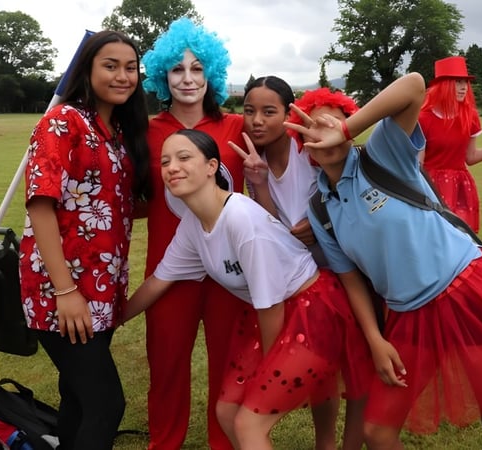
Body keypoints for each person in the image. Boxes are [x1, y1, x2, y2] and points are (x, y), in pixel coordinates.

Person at [286, 72, 482, 449]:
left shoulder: (382, 154)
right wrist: (375, 340)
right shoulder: (321, 209)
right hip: (409, 315)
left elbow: (413, 84)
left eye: (331, 118)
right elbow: (350, 279)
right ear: (303, 143)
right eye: (311, 125)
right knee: (377, 432)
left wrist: (344, 129)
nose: (322, 128)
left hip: (467, 291)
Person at [123, 129, 373, 450]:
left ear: (212, 166)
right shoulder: (193, 224)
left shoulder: (241, 219)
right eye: (165, 161)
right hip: (271, 313)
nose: (172, 167)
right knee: (227, 412)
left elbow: (271, 305)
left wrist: (271, 374)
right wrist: (113, 321)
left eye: (184, 158)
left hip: (310, 312)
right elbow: (159, 281)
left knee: (248, 423)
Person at [18, 30, 151, 450]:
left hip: (103, 288)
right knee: (106, 403)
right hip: (60, 288)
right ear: (87, 70)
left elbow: (116, 205)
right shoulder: (64, 121)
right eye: (110, 66)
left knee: (77, 398)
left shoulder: (117, 134)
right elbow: (41, 203)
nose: (122, 76)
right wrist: (66, 290)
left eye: (130, 68)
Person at [231, 76, 364, 449]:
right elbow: (271, 230)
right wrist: (257, 183)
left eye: (268, 112)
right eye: (249, 110)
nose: (256, 120)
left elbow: (347, 196)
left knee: (351, 367)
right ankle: (326, 442)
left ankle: (335, 442)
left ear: (290, 114)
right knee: (319, 366)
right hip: (297, 280)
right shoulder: (251, 163)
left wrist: (324, 225)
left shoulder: (308, 150)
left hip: (340, 271)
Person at [139, 17, 247, 450]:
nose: (187, 78)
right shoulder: (145, 132)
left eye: (197, 68)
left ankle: (225, 442)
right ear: (163, 76)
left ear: (212, 75)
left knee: (229, 368)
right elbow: (136, 201)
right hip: (170, 273)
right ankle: (164, 442)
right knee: (165, 368)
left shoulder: (237, 128)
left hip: (231, 273)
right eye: (177, 69)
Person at [418, 56, 482, 232]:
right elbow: (418, 165)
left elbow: (470, 157)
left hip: (461, 187)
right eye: (457, 82)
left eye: (465, 82)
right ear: (443, 85)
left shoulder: (469, 117)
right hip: (431, 186)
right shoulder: (423, 119)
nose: (463, 87)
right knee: (435, 236)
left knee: (462, 239)